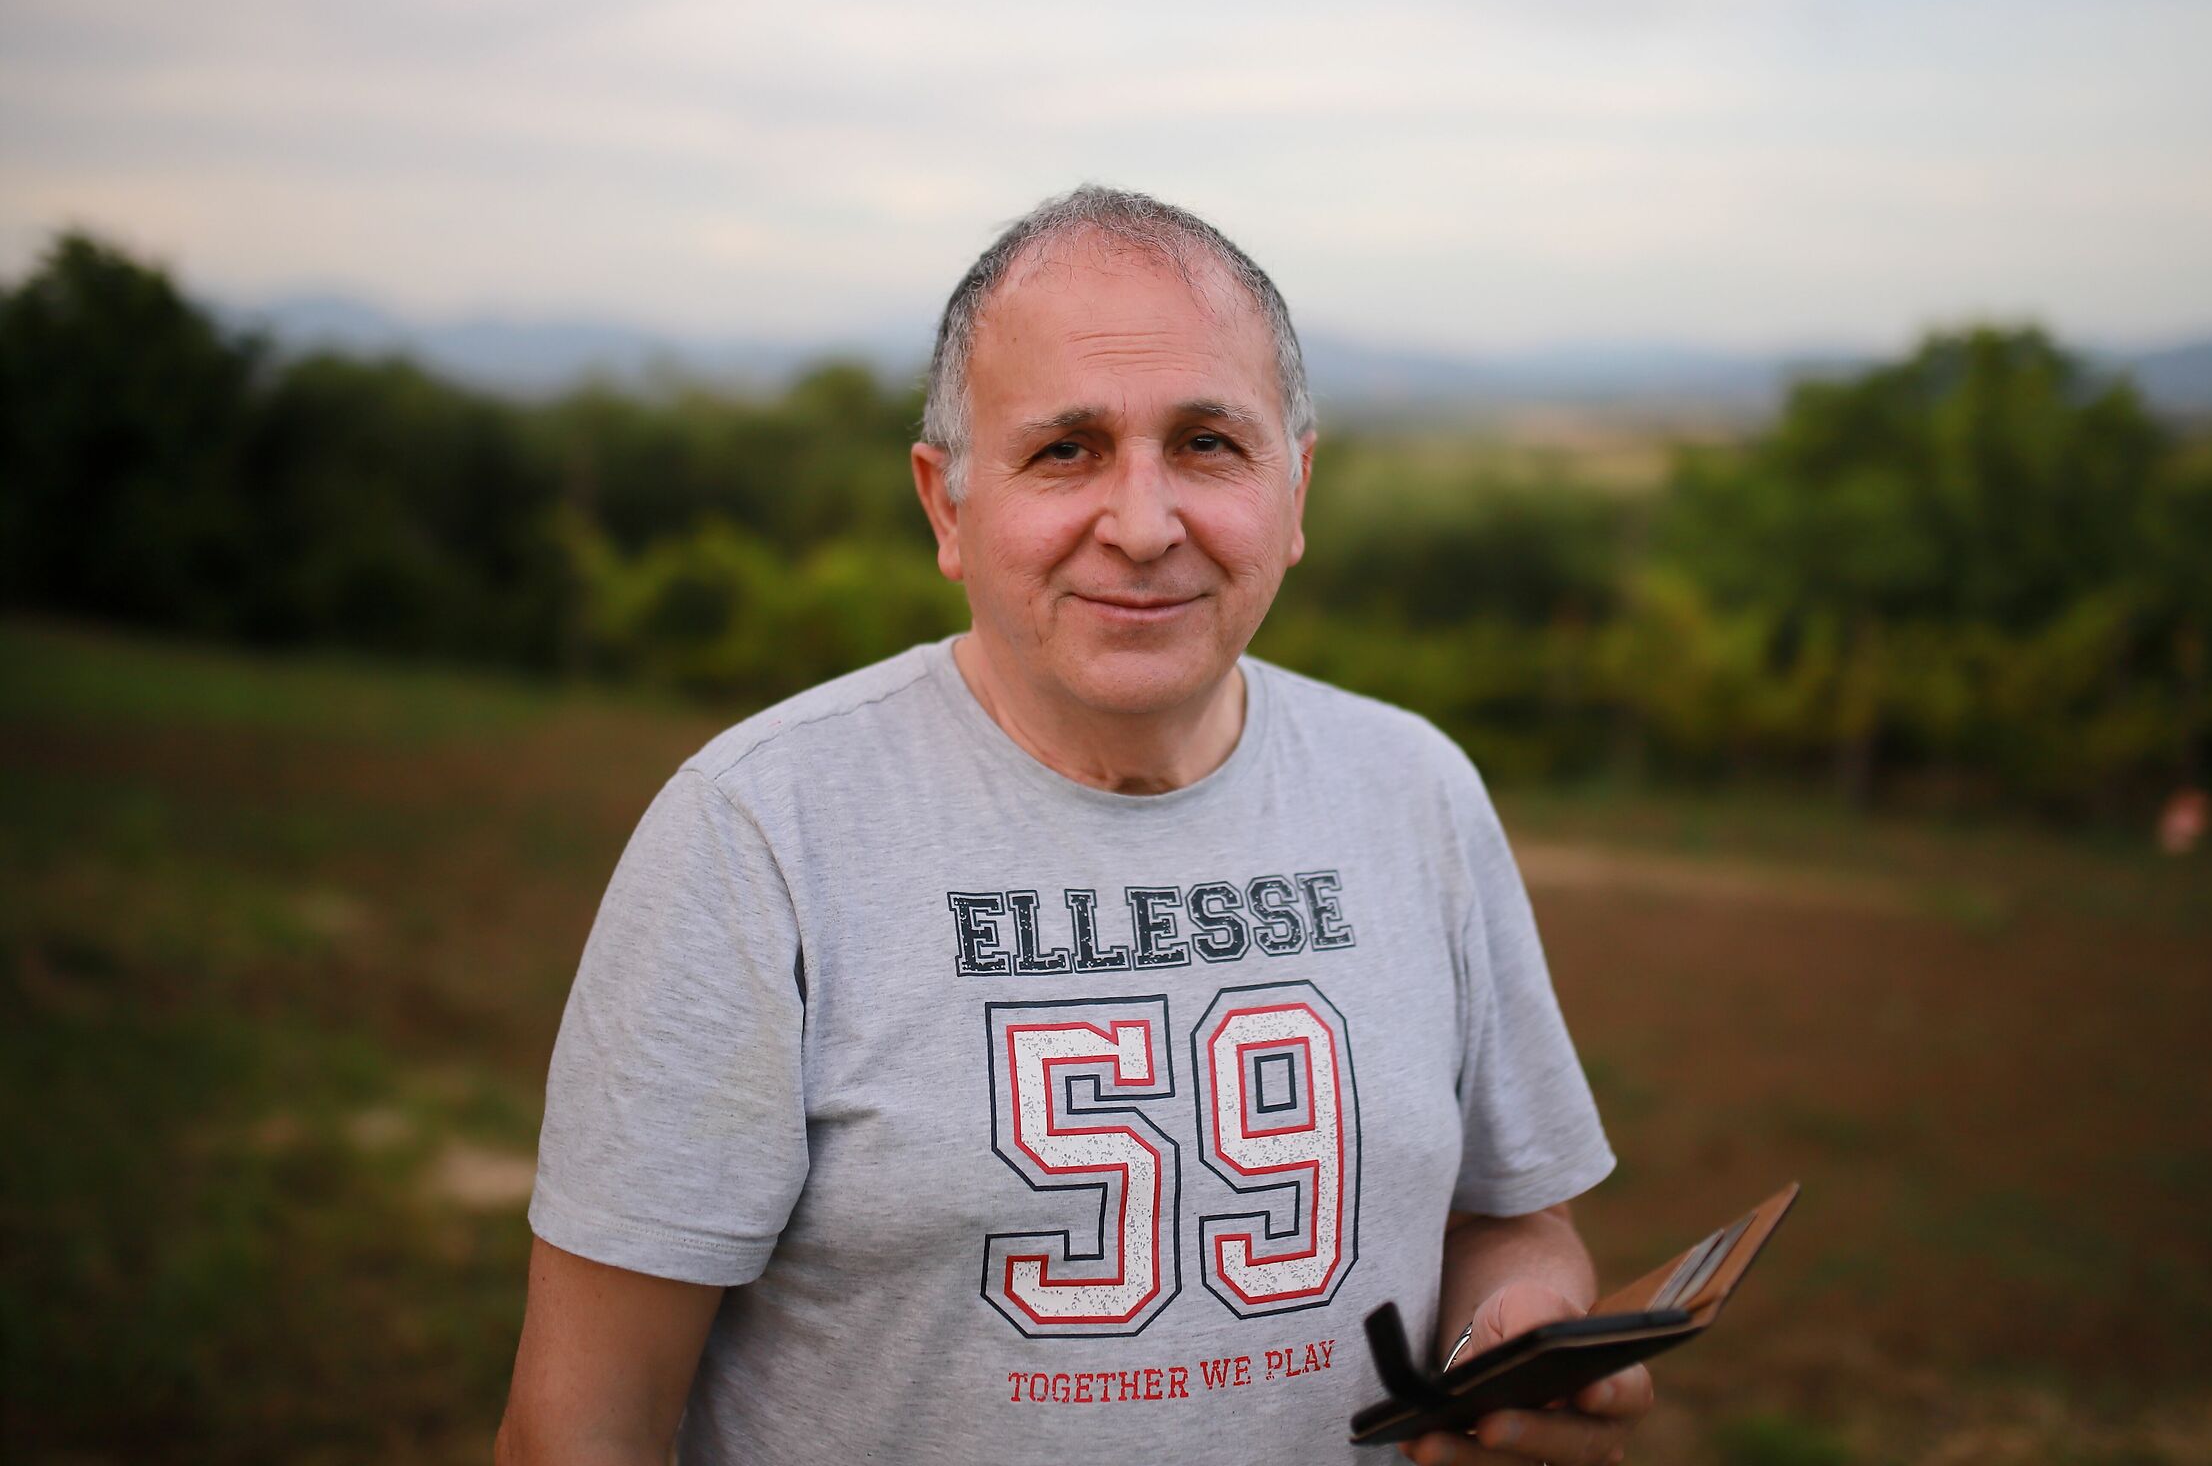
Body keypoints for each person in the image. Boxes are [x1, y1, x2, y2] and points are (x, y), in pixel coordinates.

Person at [496, 186, 1653, 1466]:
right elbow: (579, 1427)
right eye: (1067, 450)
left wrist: (1508, 1334)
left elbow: (1510, 1218)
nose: (1145, 524)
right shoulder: (759, 832)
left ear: (1298, 486)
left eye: (1210, 443)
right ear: (947, 504)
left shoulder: (1415, 790)